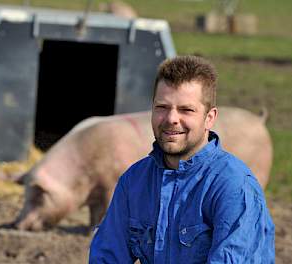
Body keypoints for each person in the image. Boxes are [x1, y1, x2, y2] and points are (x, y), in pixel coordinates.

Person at [89, 55, 275, 263]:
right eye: (162, 107)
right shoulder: (133, 181)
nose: (171, 119)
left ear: (210, 118)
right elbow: (107, 257)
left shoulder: (234, 187)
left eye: (186, 110)